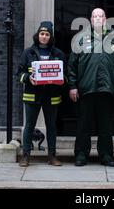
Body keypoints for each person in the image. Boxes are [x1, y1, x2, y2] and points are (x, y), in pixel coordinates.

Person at [68, 8, 114, 167]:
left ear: (105, 19)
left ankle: (106, 155)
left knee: (106, 126)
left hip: (108, 90)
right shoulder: (80, 39)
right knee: (83, 125)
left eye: (100, 16)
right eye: (95, 16)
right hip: (86, 89)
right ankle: (81, 154)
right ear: (90, 19)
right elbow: (72, 66)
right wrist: (72, 86)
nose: (97, 19)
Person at [17, 21, 66, 167]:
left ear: (51, 37)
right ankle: (25, 155)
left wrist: (62, 80)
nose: (44, 36)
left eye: (47, 34)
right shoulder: (28, 53)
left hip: (51, 95)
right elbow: (19, 73)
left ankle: (52, 156)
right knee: (29, 126)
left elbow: (66, 74)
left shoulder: (59, 54)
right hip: (32, 95)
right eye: (42, 34)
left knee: (51, 126)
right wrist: (27, 78)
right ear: (38, 35)